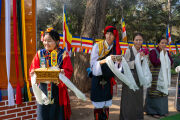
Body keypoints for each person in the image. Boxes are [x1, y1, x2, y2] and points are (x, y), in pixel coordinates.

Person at [29, 28, 73, 120]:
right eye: (44, 41)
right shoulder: (39, 54)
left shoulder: (63, 54)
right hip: (43, 93)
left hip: (58, 92)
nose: (46, 43)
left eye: (49, 41)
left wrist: (63, 73)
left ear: (57, 41)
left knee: (57, 116)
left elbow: (68, 71)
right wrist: (33, 73)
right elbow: (33, 69)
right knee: (42, 116)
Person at [90, 26, 121, 120]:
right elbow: (92, 64)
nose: (109, 36)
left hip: (108, 78)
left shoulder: (116, 48)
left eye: (111, 34)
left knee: (106, 103)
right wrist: (106, 60)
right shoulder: (97, 46)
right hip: (97, 78)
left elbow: (119, 62)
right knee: (98, 104)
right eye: (107, 33)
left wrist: (116, 64)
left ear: (114, 36)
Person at [144, 37, 173, 118]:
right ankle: (152, 112)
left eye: (165, 43)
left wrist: (165, 55)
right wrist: (162, 56)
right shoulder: (153, 51)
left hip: (163, 77)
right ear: (158, 43)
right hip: (155, 77)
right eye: (162, 43)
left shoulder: (166, 52)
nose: (164, 44)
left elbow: (171, 62)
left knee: (162, 94)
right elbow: (154, 62)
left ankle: (162, 111)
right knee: (154, 94)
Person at [120, 33, 146, 120]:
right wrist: (136, 61)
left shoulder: (143, 52)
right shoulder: (128, 50)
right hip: (129, 79)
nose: (138, 42)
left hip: (139, 79)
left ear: (142, 41)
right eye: (136, 40)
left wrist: (144, 59)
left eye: (140, 40)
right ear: (133, 41)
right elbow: (124, 64)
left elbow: (145, 65)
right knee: (129, 100)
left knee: (138, 100)